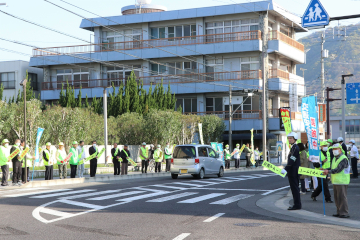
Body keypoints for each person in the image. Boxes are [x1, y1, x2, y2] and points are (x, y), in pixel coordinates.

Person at [322, 143, 351, 218]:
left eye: (336, 149)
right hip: (336, 181)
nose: (334, 151)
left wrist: (328, 171)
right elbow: (332, 168)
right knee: (337, 198)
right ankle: (339, 212)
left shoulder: (343, 158)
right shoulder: (335, 158)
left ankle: (344, 212)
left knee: (342, 197)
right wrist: (326, 170)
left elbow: (338, 169)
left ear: (340, 150)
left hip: (342, 181)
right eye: (333, 149)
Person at [285, 132, 301, 210]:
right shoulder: (293, 147)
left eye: (291, 138)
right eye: (288, 138)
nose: (289, 140)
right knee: (294, 188)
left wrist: (286, 169)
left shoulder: (295, 147)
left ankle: (297, 205)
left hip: (294, 171)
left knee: (295, 188)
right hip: (292, 171)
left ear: (295, 139)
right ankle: (296, 204)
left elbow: (292, 159)